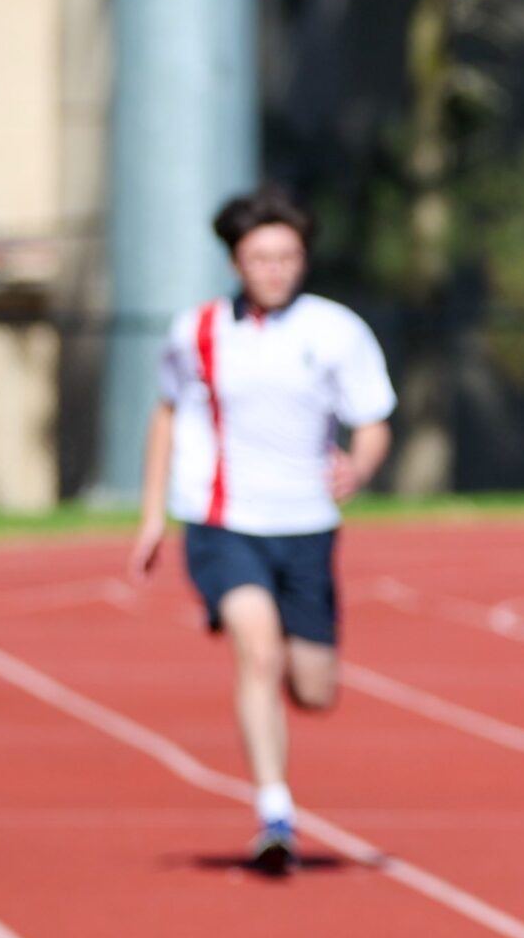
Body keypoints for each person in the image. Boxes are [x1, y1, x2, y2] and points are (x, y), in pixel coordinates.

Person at [129, 185, 394, 875]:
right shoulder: (197, 332)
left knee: (314, 689)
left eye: (288, 257)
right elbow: (166, 414)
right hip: (223, 521)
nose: (275, 271)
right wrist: (153, 514)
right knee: (258, 650)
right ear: (235, 262)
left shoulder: (336, 331)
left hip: (306, 526)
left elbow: (373, 420)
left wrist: (359, 467)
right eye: (260, 258)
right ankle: (275, 813)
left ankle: (276, 663)